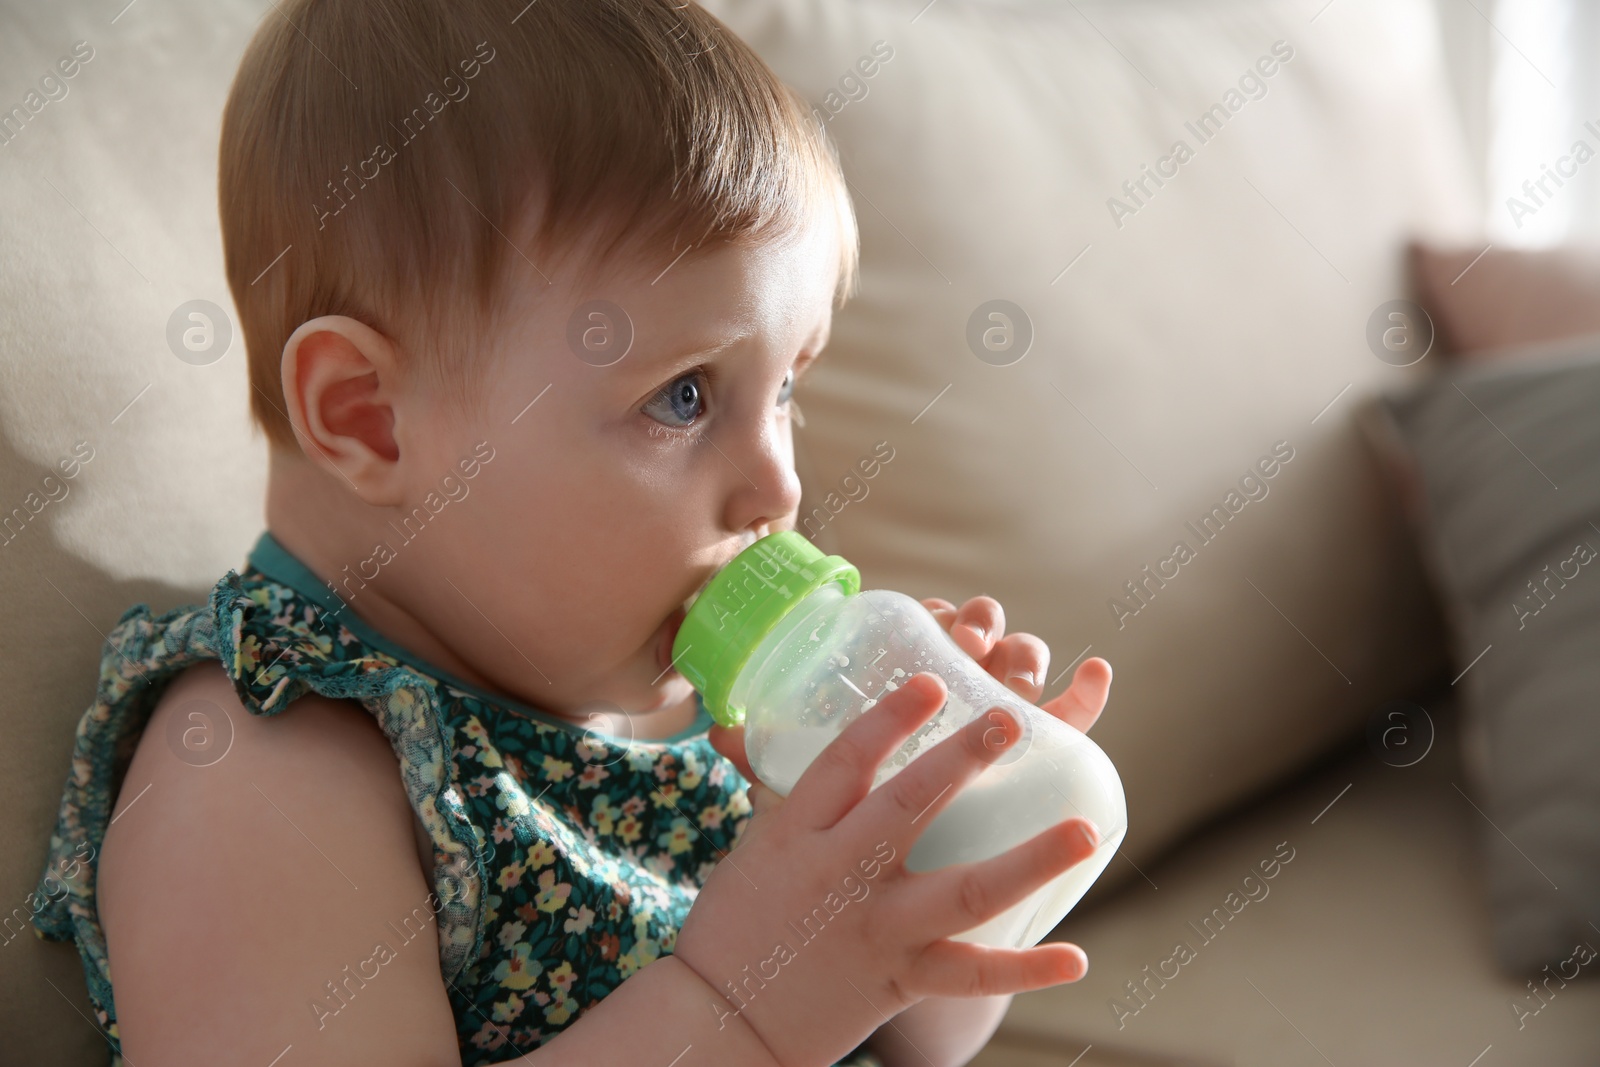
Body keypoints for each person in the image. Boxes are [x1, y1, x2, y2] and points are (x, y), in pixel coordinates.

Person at [31, 1, 1114, 1063]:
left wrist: (941, 852)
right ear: (369, 416)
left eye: (785, 387)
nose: (777, 484)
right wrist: (741, 1008)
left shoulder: (682, 705)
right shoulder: (267, 769)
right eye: (683, 396)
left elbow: (917, 1034)